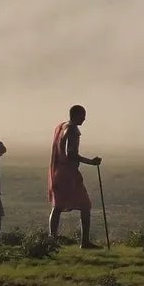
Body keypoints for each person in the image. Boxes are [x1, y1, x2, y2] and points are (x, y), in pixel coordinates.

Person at [48, 104, 102, 249]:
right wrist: (91, 162)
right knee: (85, 205)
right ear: (77, 115)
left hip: (59, 172)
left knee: (57, 207)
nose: (84, 119)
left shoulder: (62, 127)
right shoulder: (72, 129)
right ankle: (84, 242)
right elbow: (71, 154)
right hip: (68, 174)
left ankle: (51, 240)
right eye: (83, 116)